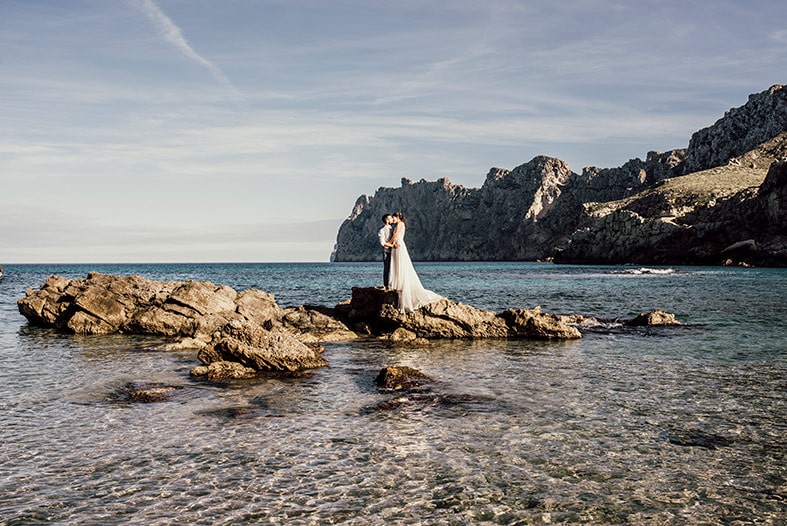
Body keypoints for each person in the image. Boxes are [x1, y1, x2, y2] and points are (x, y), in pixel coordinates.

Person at [387, 212, 443, 312]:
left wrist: (388, 243)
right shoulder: (398, 224)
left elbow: (396, 235)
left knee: (401, 266)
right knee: (398, 266)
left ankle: (403, 288)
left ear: (398, 217)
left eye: (394, 217)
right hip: (396, 246)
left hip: (398, 246)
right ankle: (399, 286)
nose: (393, 219)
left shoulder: (400, 224)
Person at [377, 214, 394, 289]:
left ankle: (393, 284)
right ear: (387, 220)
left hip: (395, 252)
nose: (392, 219)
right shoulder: (382, 230)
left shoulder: (394, 229)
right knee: (387, 268)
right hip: (387, 252)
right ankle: (386, 285)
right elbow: (382, 243)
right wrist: (392, 246)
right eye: (390, 218)